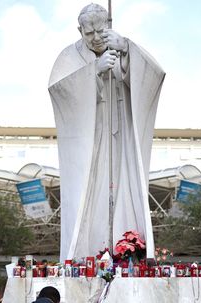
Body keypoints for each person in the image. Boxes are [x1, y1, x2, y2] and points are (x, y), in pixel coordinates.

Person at [49, 3, 164, 261]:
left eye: (100, 31)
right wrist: (94, 72)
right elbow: (59, 91)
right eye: (88, 34)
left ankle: (126, 249)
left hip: (120, 137)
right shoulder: (68, 56)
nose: (96, 38)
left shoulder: (121, 45)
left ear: (108, 25)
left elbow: (154, 76)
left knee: (124, 186)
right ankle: (86, 253)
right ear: (79, 30)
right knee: (88, 194)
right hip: (89, 142)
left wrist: (127, 51)